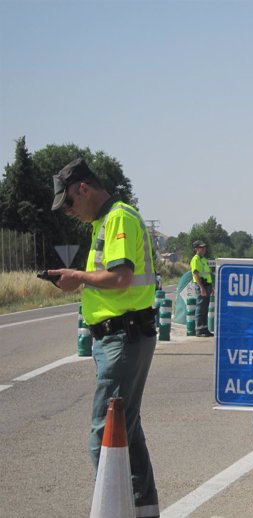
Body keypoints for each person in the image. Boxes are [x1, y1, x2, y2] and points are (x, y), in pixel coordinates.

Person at [48, 158, 159, 518]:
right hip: (121, 336)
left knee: (104, 437)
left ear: (83, 188)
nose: (68, 211)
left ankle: (114, 511)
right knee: (127, 430)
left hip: (122, 337)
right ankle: (142, 510)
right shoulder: (104, 221)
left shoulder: (118, 218)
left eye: (68, 202)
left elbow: (121, 278)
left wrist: (77, 276)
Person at [190, 240, 214, 337]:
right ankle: (199, 330)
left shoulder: (204, 259)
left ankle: (204, 329)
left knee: (205, 308)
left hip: (207, 285)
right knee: (200, 308)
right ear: (196, 249)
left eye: (204, 247)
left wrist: (211, 287)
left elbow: (208, 274)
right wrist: (201, 288)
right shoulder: (195, 259)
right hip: (201, 285)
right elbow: (195, 274)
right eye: (201, 247)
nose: (204, 249)